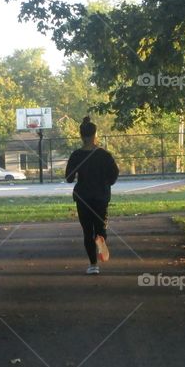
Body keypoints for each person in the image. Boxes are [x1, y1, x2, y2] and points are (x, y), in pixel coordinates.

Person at [66, 116, 119, 275]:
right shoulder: (104, 155)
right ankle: (101, 241)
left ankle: (93, 264)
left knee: (87, 231)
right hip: (101, 196)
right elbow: (114, 175)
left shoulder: (76, 155)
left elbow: (69, 178)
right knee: (100, 227)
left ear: (81, 136)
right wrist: (105, 183)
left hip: (83, 197)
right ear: (95, 134)